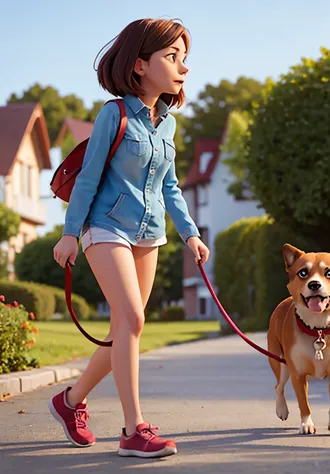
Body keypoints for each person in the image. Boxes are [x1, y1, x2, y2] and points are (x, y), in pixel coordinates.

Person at [49, 17, 210, 458]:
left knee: (124, 329)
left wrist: (191, 234)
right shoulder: (113, 114)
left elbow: (170, 187)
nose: (183, 67)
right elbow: (88, 180)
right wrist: (69, 234)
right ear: (140, 65)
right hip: (105, 227)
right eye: (171, 57)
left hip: (150, 234)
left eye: (184, 58)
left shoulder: (168, 125)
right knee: (134, 321)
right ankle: (133, 430)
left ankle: (69, 402)